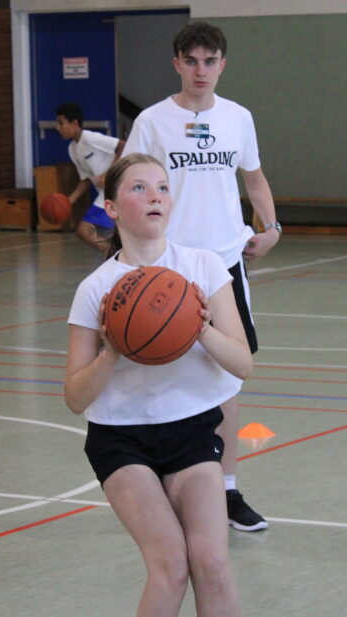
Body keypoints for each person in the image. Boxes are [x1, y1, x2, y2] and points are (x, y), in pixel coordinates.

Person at [65, 154, 250, 617]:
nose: (155, 196)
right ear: (110, 208)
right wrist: (111, 352)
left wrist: (200, 327)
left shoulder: (204, 267)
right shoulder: (96, 289)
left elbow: (243, 362)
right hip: (121, 440)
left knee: (212, 563)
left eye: (163, 188)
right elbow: (75, 396)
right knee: (169, 566)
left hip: (192, 432)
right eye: (139, 188)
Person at [123, 21, 278, 532]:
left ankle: (227, 490)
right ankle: (164, 481)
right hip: (166, 266)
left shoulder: (238, 118)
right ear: (177, 64)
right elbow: (128, 185)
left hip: (225, 266)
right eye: (191, 61)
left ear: (222, 65)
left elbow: (254, 178)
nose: (200, 70)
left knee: (227, 378)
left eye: (210, 61)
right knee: (160, 373)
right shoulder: (152, 121)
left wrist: (272, 228)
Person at [55, 102, 126, 253]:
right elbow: (86, 180)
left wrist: (109, 174)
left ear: (74, 123)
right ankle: (119, 256)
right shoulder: (72, 149)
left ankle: (117, 256)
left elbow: (122, 146)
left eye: (61, 123)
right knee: (114, 234)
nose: (58, 127)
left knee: (84, 230)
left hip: (116, 188)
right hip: (107, 193)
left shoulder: (89, 138)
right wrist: (67, 201)